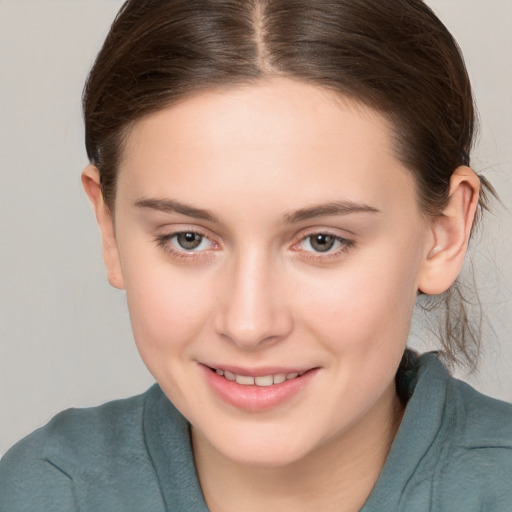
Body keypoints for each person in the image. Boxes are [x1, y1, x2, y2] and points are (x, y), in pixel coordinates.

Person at [1, 0, 511, 510]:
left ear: (442, 234)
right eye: (188, 239)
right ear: (110, 229)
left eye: (322, 241)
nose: (249, 325)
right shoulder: (42, 492)